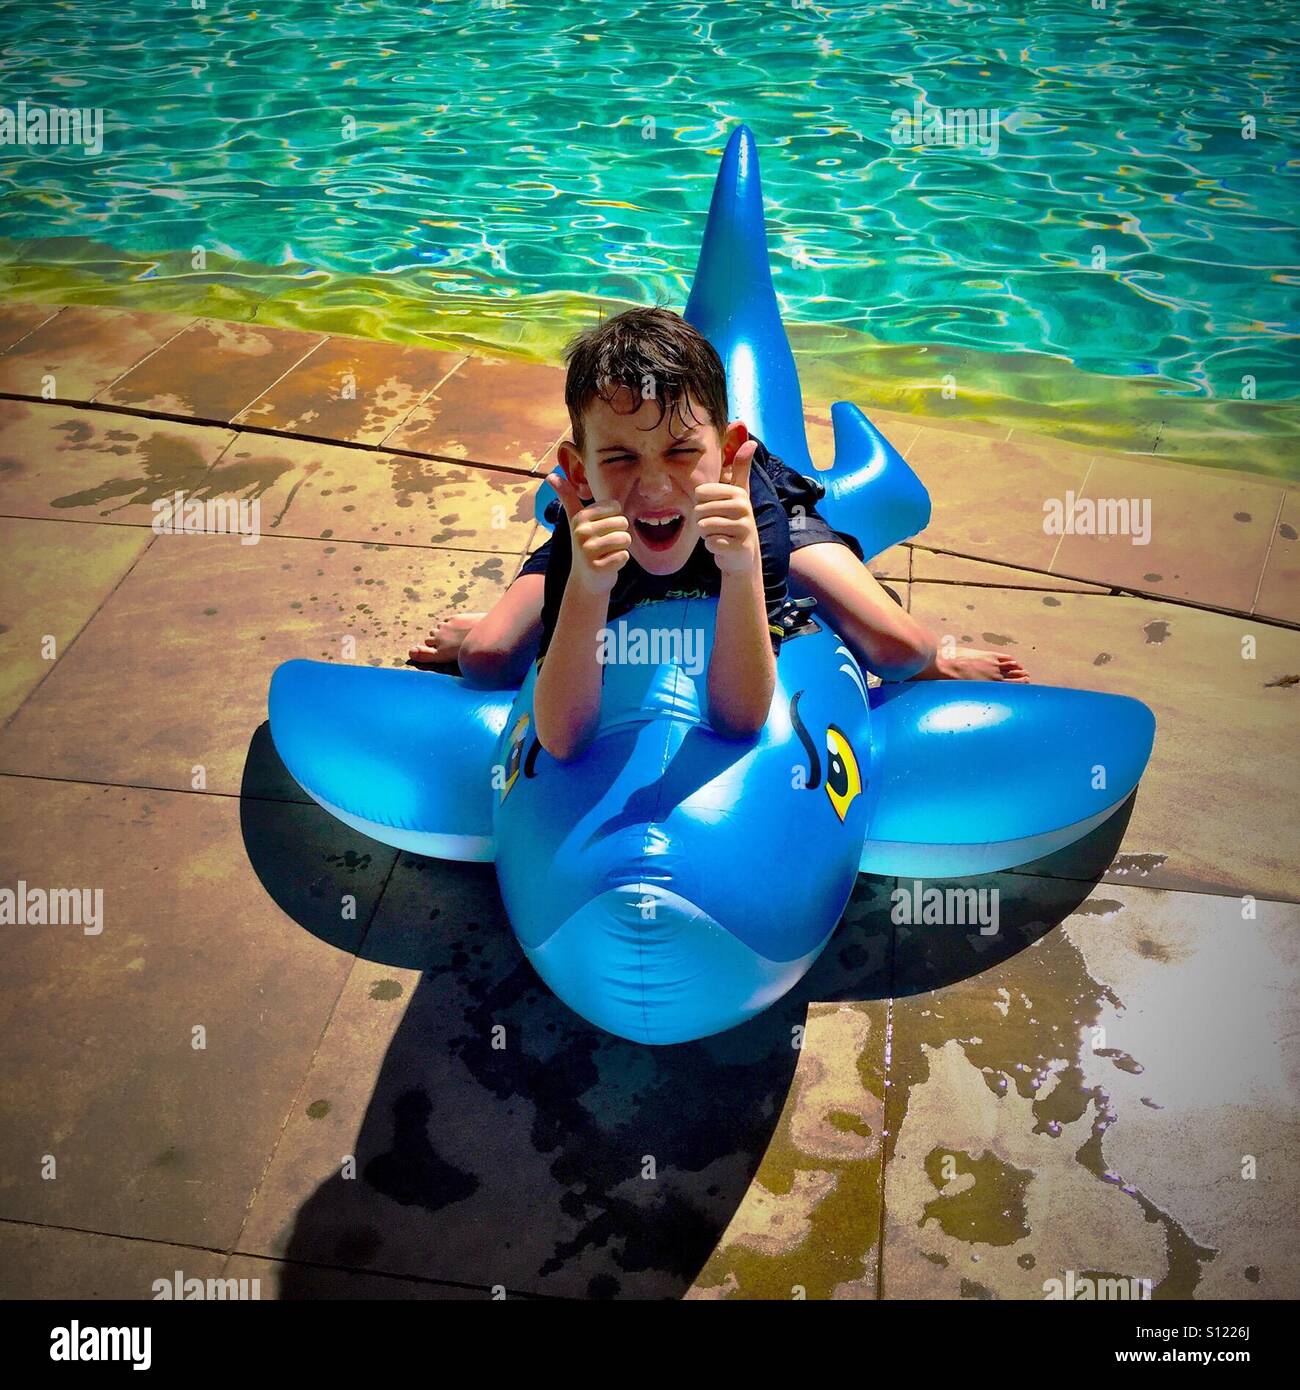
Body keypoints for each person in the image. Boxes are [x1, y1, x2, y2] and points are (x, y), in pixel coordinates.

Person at [408, 309, 1028, 703]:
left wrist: (744, 573)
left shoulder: (751, 511)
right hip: (612, 530)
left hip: (747, 525)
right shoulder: (593, 514)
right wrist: (565, 611)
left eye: (680, 450)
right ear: (583, 470)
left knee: (901, 650)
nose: (652, 486)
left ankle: (939, 663)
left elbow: (744, 702)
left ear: (729, 448)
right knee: (485, 660)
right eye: (620, 457)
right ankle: (503, 619)